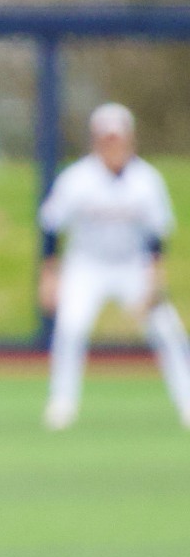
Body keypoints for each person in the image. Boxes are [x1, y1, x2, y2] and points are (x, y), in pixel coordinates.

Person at [37, 102, 190, 430]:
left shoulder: (147, 180)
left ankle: (187, 401)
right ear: (96, 140)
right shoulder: (77, 179)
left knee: (167, 329)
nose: (113, 145)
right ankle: (62, 402)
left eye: (117, 138)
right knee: (71, 327)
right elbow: (51, 226)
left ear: (129, 139)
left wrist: (154, 277)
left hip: (131, 266)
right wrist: (49, 275)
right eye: (106, 139)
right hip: (86, 266)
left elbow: (156, 234)